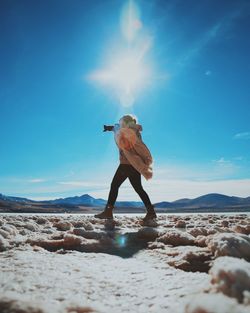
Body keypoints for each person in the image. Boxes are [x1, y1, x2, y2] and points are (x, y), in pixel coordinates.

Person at [94, 114, 157, 222]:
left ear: (126, 123)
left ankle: (108, 212)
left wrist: (113, 129)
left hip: (126, 164)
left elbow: (125, 139)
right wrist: (110, 128)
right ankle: (151, 212)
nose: (120, 124)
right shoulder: (130, 131)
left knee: (114, 186)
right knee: (139, 189)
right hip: (133, 165)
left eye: (122, 122)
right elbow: (118, 129)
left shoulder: (129, 132)